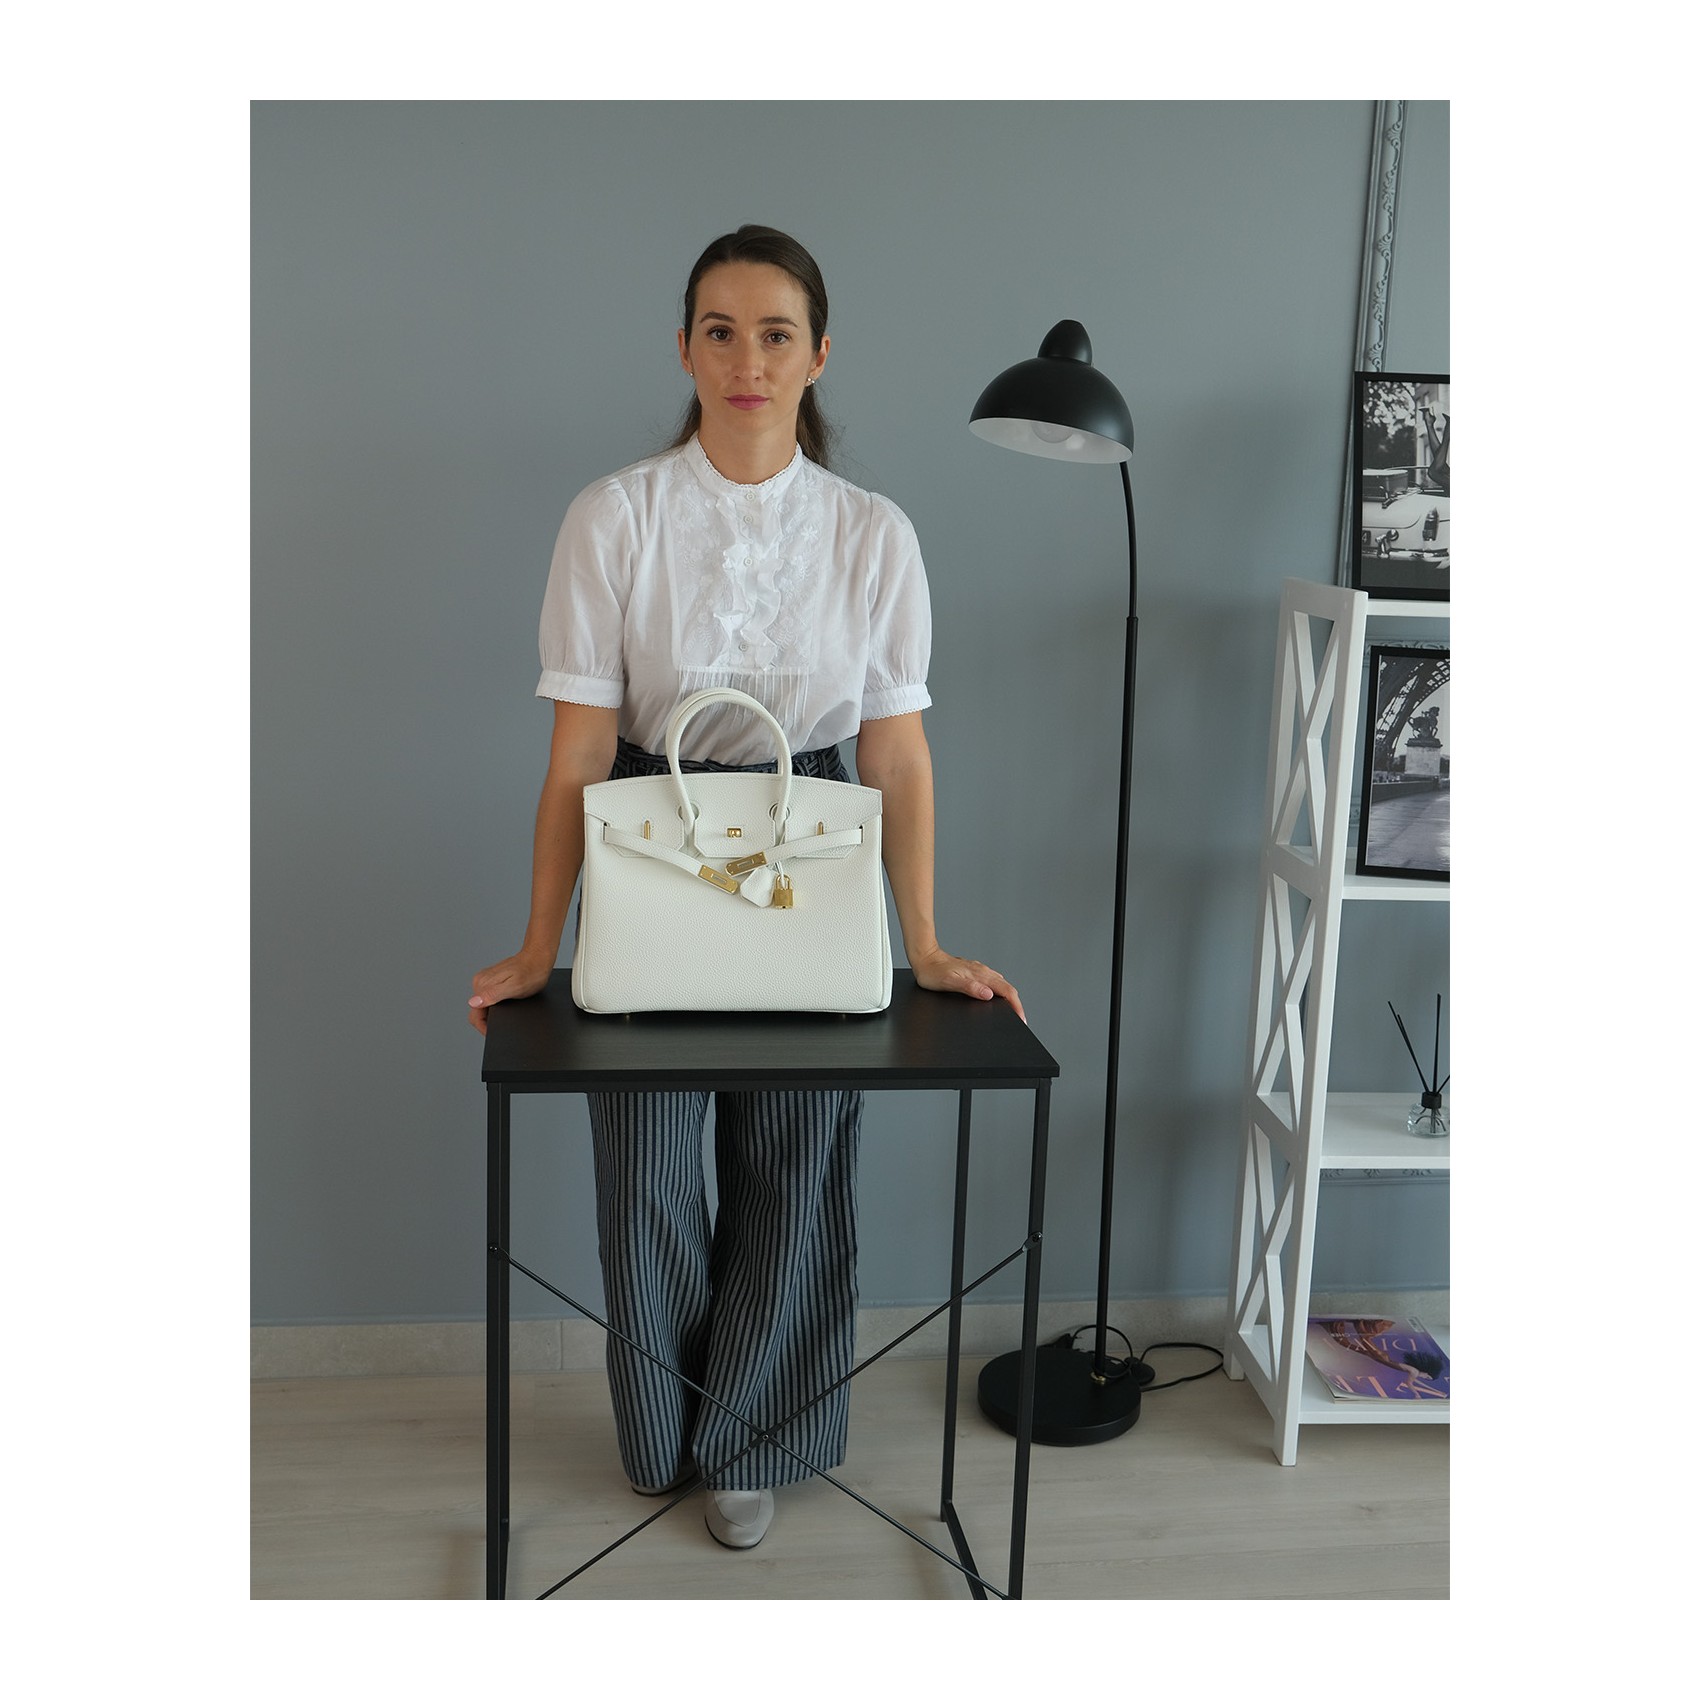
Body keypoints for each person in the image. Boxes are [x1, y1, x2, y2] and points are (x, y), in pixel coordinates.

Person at [468, 225, 1022, 1553]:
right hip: (649, 824)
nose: (747, 359)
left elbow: (896, 753)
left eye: (776, 334)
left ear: (818, 354)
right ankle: (665, 1431)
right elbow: (578, 755)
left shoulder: (872, 533)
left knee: (797, 1156)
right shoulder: (615, 517)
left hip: (815, 829)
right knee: (649, 1167)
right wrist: (538, 945)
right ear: (684, 349)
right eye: (719, 331)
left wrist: (925, 940)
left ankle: (755, 1440)